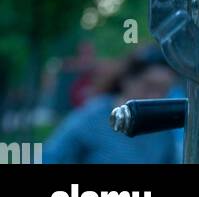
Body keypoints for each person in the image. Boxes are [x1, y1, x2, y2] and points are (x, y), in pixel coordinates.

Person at [43, 48, 179, 164]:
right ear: (128, 80)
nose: (154, 97)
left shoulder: (162, 128)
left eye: (163, 90)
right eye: (149, 86)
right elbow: (51, 157)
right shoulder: (93, 116)